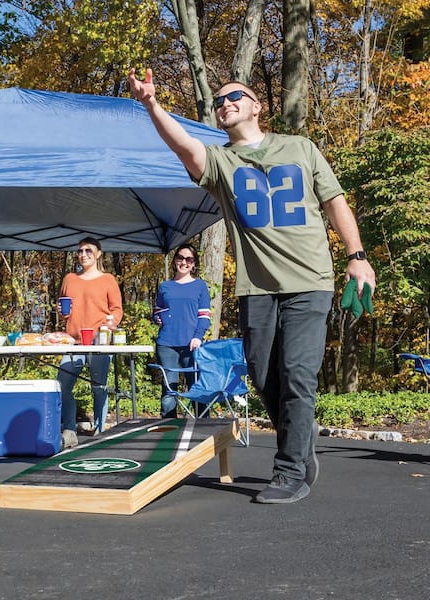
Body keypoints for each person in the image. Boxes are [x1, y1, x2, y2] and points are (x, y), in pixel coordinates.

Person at [129, 68, 376, 503]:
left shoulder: (300, 148)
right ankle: (300, 446)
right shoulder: (222, 163)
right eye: (219, 100)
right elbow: (184, 146)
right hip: (256, 288)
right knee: (263, 377)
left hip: (309, 281)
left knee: (298, 374)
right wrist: (151, 104)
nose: (225, 103)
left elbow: (335, 204)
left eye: (235, 96)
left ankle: (289, 470)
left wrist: (357, 258)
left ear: (257, 106)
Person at [57, 237, 123, 447]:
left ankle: (100, 430)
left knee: (99, 388)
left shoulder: (108, 280)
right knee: (62, 386)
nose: (83, 254)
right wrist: (60, 312)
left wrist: (111, 323)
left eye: (88, 250)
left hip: (98, 343)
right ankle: (69, 430)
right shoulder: (69, 279)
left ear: (98, 254)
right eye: (80, 251)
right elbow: (63, 308)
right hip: (72, 343)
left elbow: (117, 310)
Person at [154, 243, 211, 418]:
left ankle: (203, 428)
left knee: (197, 388)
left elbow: (204, 316)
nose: (184, 262)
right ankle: (168, 429)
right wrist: (157, 317)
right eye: (180, 258)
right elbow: (158, 310)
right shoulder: (165, 286)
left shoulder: (200, 286)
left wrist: (198, 337)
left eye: (189, 259)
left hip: (191, 345)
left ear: (194, 264)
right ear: (174, 261)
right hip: (166, 344)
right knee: (169, 389)